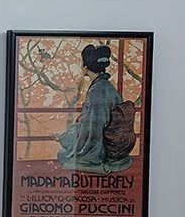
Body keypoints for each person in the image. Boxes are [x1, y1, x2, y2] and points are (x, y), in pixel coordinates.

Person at [55, 43, 132, 173]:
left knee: (62, 154)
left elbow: (93, 128)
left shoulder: (96, 91)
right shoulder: (107, 86)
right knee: (68, 143)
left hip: (104, 142)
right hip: (114, 139)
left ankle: (93, 159)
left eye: (81, 64)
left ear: (85, 67)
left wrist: (70, 140)